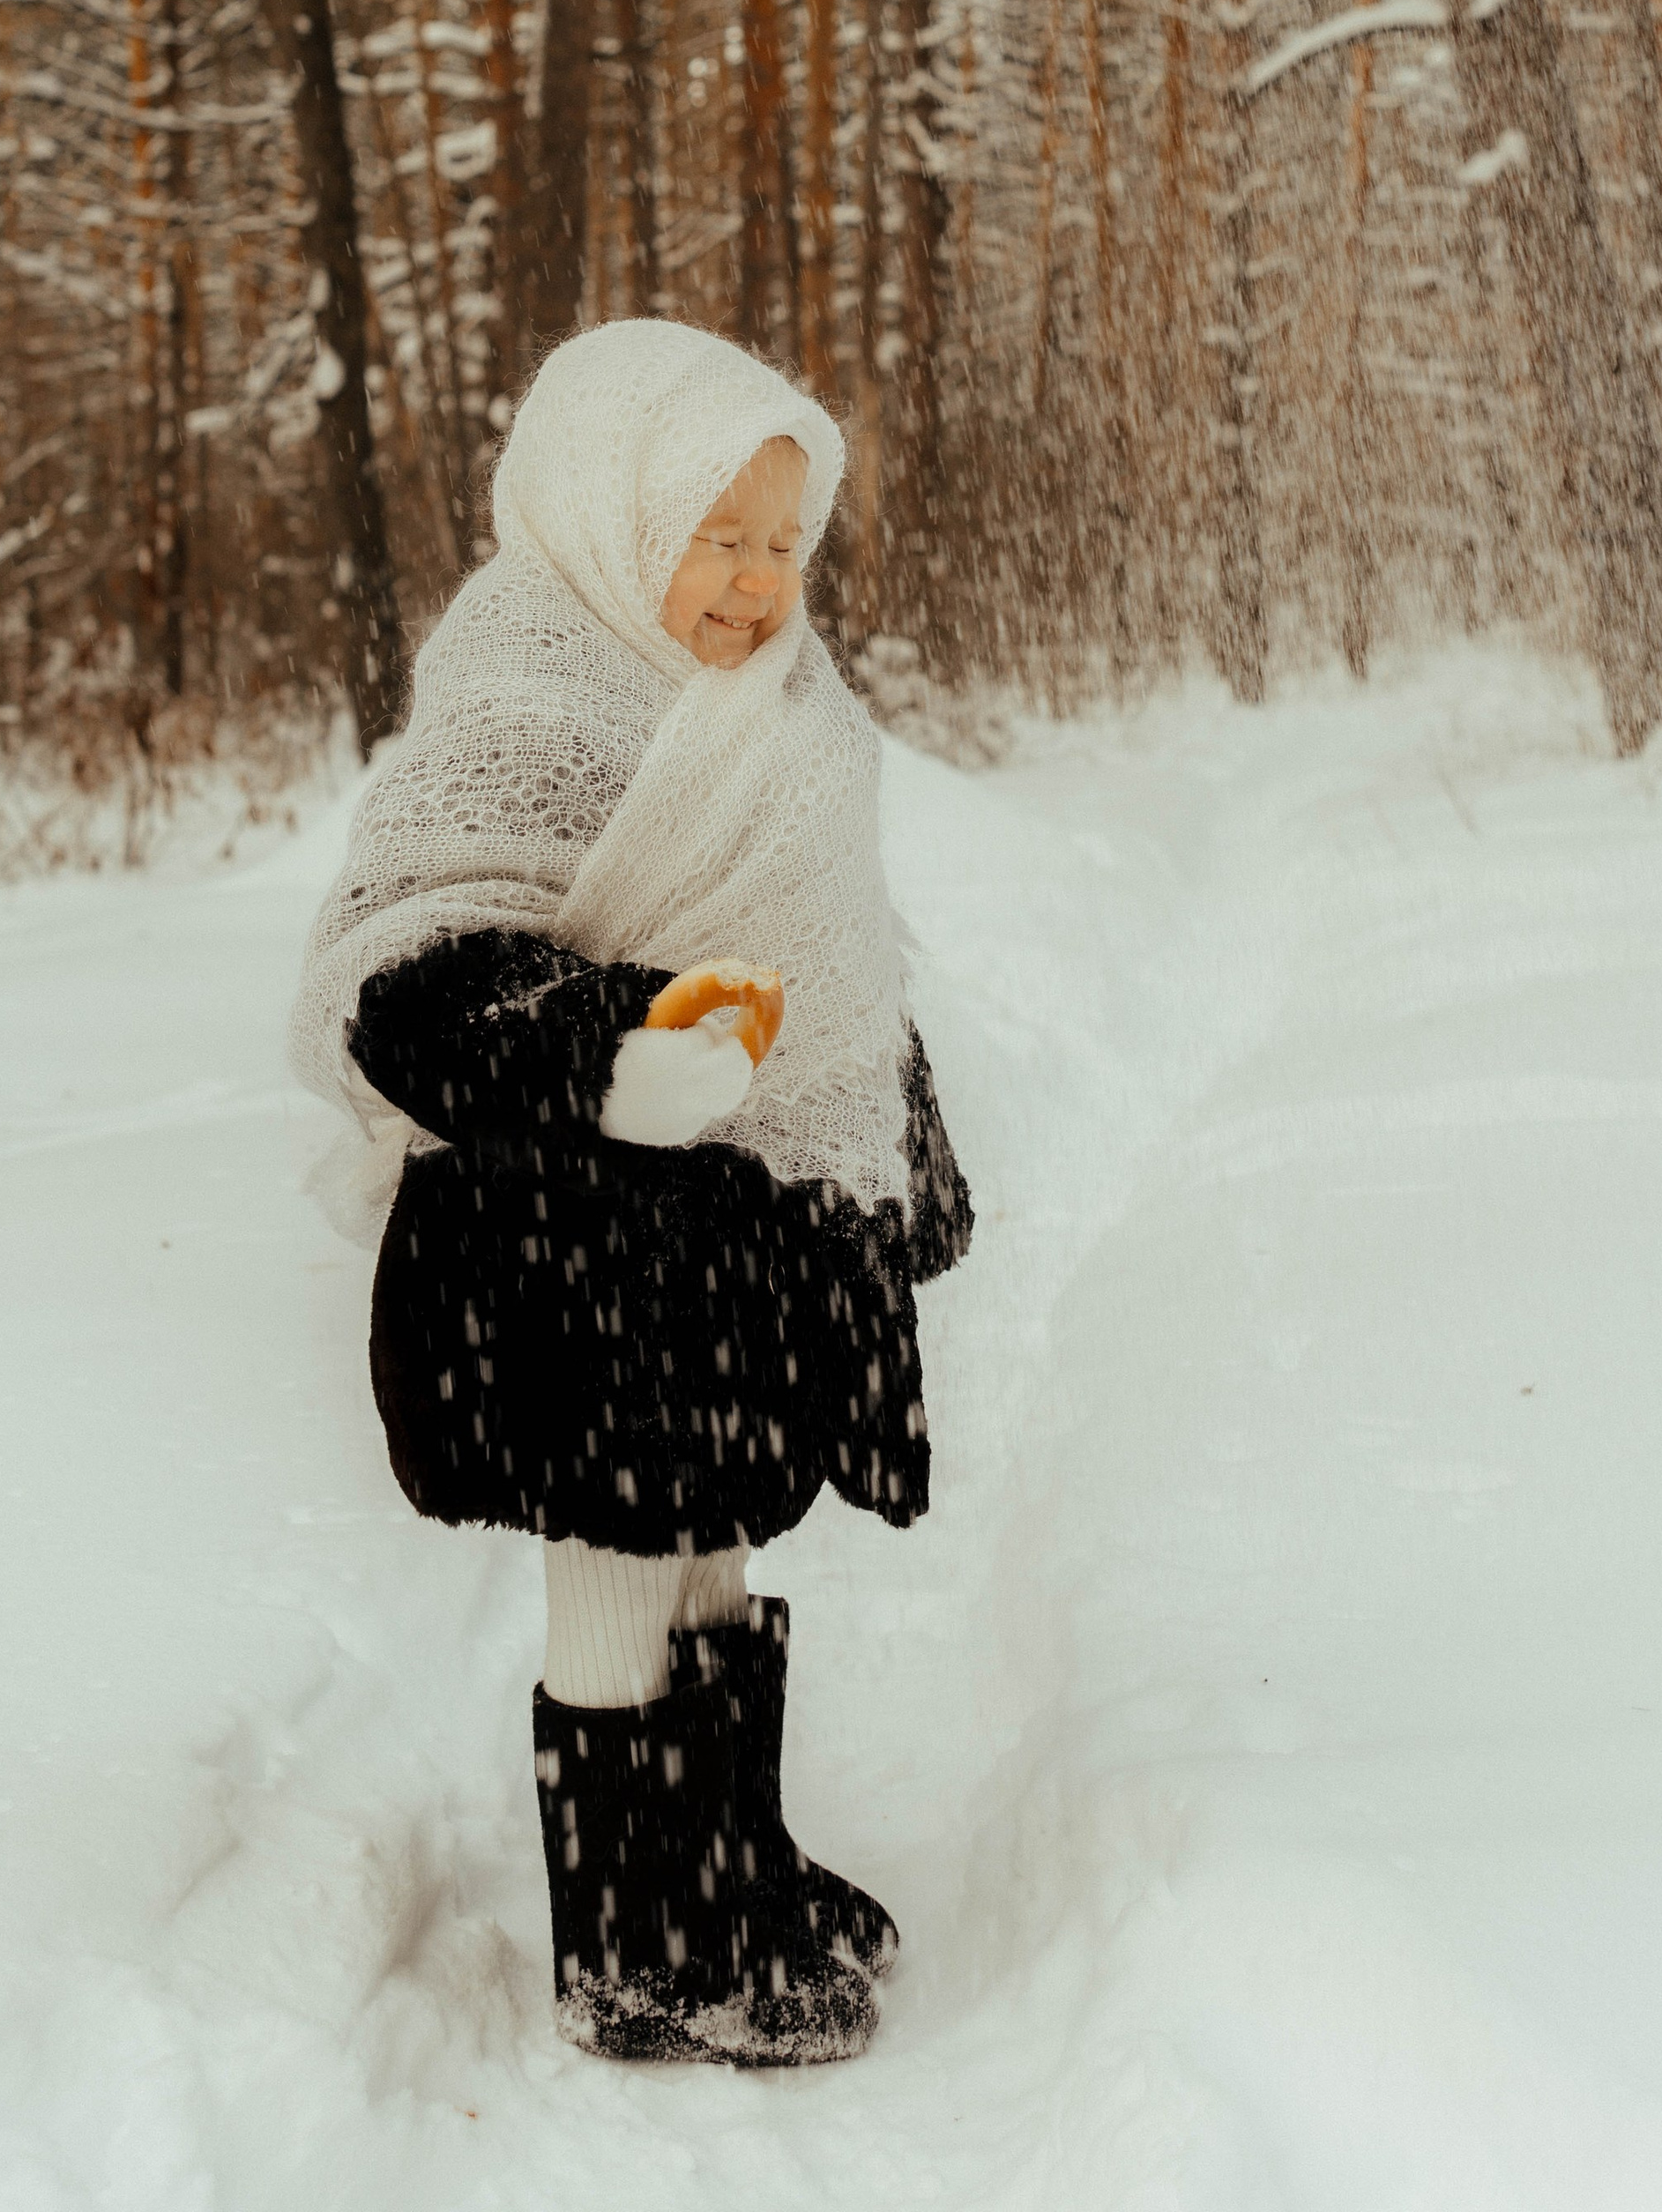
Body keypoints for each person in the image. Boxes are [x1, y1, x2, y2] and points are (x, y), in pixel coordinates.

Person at [292, 320, 972, 2067]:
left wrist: (898, 1152)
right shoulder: (528, 682)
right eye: (712, 535)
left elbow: (842, 952)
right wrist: (599, 1055)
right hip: (566, 1227)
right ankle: (628, 1937)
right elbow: (415, 953)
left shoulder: (787, 699)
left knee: (715, 1529)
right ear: (611, 509)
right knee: (616, 1544)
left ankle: (725, 1872)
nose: (753, 581)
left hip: (726, 1225)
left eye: (780, 540)